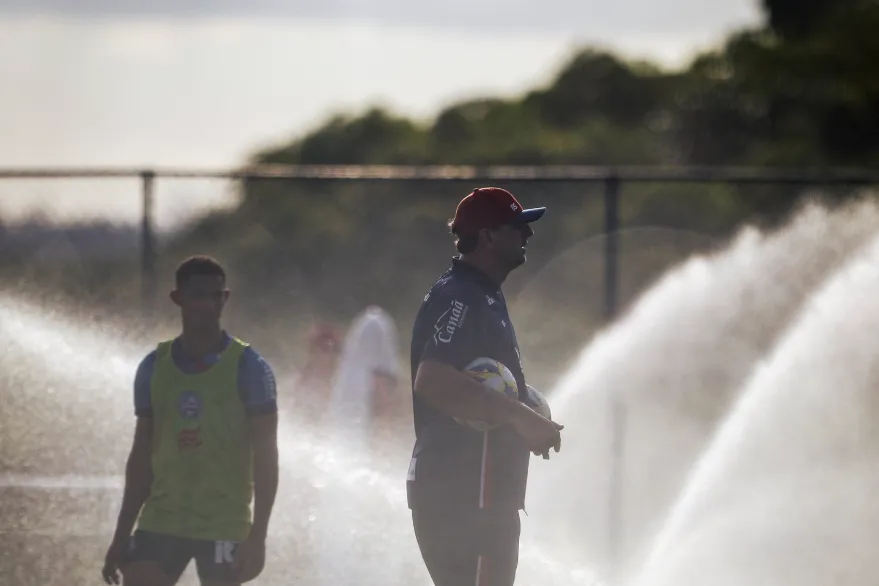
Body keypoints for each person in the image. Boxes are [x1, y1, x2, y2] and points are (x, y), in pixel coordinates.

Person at [407, 187, 565, 586]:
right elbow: (433, 379)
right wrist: (518, 415)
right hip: (463, 494)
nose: (527, 235)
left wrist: (525, 404)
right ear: (489, 236)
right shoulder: (460, 295)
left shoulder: (483, 293)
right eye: (517, 227)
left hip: (483, 494)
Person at [101, 255, 280, 586]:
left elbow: (267, 458)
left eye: (217, 296)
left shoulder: (250, 368)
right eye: (198, 295)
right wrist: (120, 536)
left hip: (224, 525)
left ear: (225, 299)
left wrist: (258, 536)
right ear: (178, 298)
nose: (208, 305)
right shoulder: (154, 367)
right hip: (161, 520)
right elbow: (141, 458)